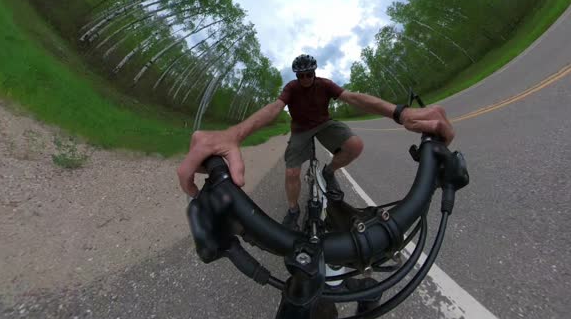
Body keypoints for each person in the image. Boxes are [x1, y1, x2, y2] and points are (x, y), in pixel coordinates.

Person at [177, 54, 455, 229]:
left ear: (315, 72)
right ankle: (293, 209)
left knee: (355, 145)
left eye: (310, 74)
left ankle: (329, 171)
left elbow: (354, 97)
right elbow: (274, 109)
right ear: (297, 76)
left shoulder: (324, 84)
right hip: (299, 130)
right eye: (302, 75)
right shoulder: (291, 88)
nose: (307, 79)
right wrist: (235, 133)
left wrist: (399, 112)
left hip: (324, 124)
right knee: (291, 172)